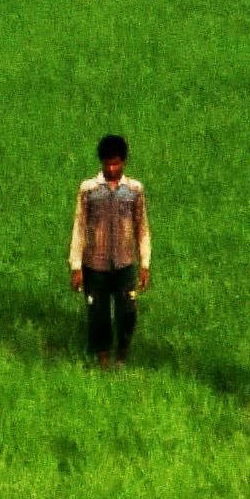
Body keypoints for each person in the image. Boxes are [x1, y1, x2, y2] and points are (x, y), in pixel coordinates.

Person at [69, 131, 151, 367]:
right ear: (101, 162)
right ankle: (103, 361)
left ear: (123, 162)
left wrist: (144, 263)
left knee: (127, 313)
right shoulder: (89, 190)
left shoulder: (134, 191)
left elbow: (142, 228)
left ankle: (121, 358)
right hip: (95, 265)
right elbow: (80, 227)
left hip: (124, 263)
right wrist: (76, 266)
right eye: (108, 163)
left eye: (116, 163)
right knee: (98, 314)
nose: (112, 168)